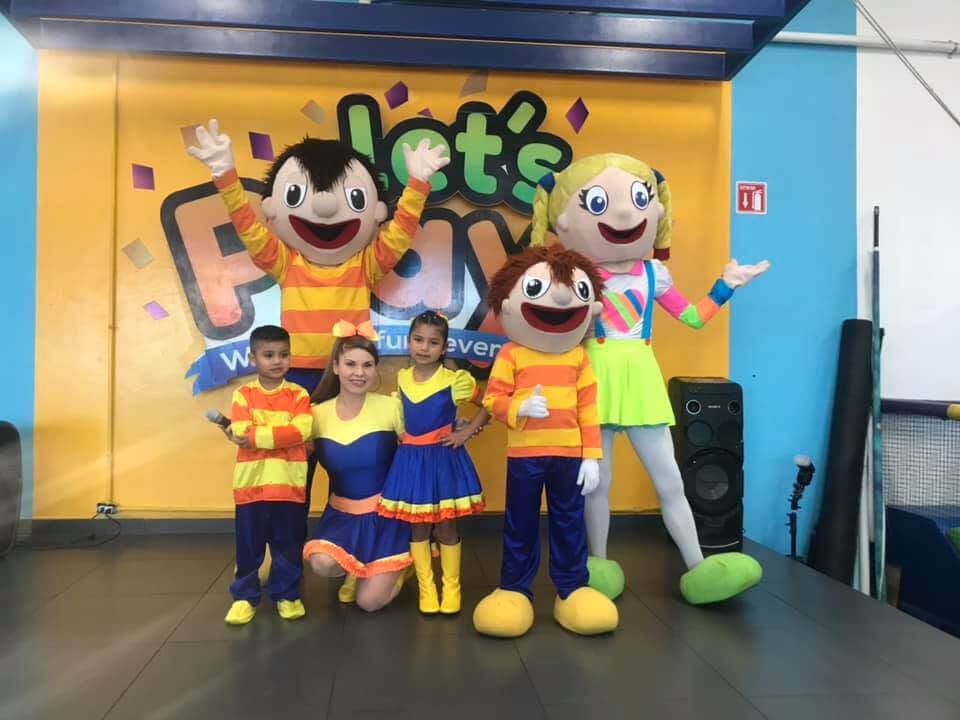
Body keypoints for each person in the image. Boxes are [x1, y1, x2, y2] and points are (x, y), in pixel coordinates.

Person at [529, 154, 767, 603]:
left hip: (640, 378)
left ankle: (698, 566)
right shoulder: (576, 277)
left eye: (639, 200)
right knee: (596, 484)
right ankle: (597, 564)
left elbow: (693, 317)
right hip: (593, 379)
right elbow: (555, 331)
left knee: (670, 480)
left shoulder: (654, 274)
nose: (624, 214)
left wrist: (726, 286)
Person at [473, 246, 618, 638]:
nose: (560, 300)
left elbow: (589, 409)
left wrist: (592, 457)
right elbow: (493, 400)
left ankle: (572, 588)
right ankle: (515, 588)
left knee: (569, 522)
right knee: (520, 522)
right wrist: (519, 406)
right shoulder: (511, 354)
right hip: (525, 455)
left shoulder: (579, 359)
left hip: (570, 456)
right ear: (506, 304)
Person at [377, 311, 488, 615]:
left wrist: (465, 432)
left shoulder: (454, 380)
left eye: (433, 342)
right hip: (411, 462)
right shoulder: (402, 378)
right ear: (409, 341)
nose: (424, 347)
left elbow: (489, 404)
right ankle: (427, 589)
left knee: (446, 528)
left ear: (444, 347)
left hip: (442, 461)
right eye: (418, 339)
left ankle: (451, 588)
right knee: (418, 529)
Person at [302, 320, 411, 612]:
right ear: (336, 367)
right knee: (322, 563)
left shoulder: (392, 407)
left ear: (375, 369)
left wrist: (456, 428)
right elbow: (288, 452)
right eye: (350, 364)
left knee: (368, 603)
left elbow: (421, 450)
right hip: (342, 518)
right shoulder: (315, 415)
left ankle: (403, 564)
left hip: (388, 518)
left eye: (367, 365)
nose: (359, 373)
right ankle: (360, 567)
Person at [223, 325, 312, 625]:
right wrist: (278, 434)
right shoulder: (243, 394)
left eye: (283, 355)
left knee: (288, 545)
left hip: (289, 487)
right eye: (268, 355)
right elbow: (240, 430)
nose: (277, 361)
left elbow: (302, 431)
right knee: (248, 547)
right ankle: (244, 598)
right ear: (253, 358)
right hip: (251, 488)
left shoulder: (298, 394)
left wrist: (257, 436)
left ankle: (287, 595)